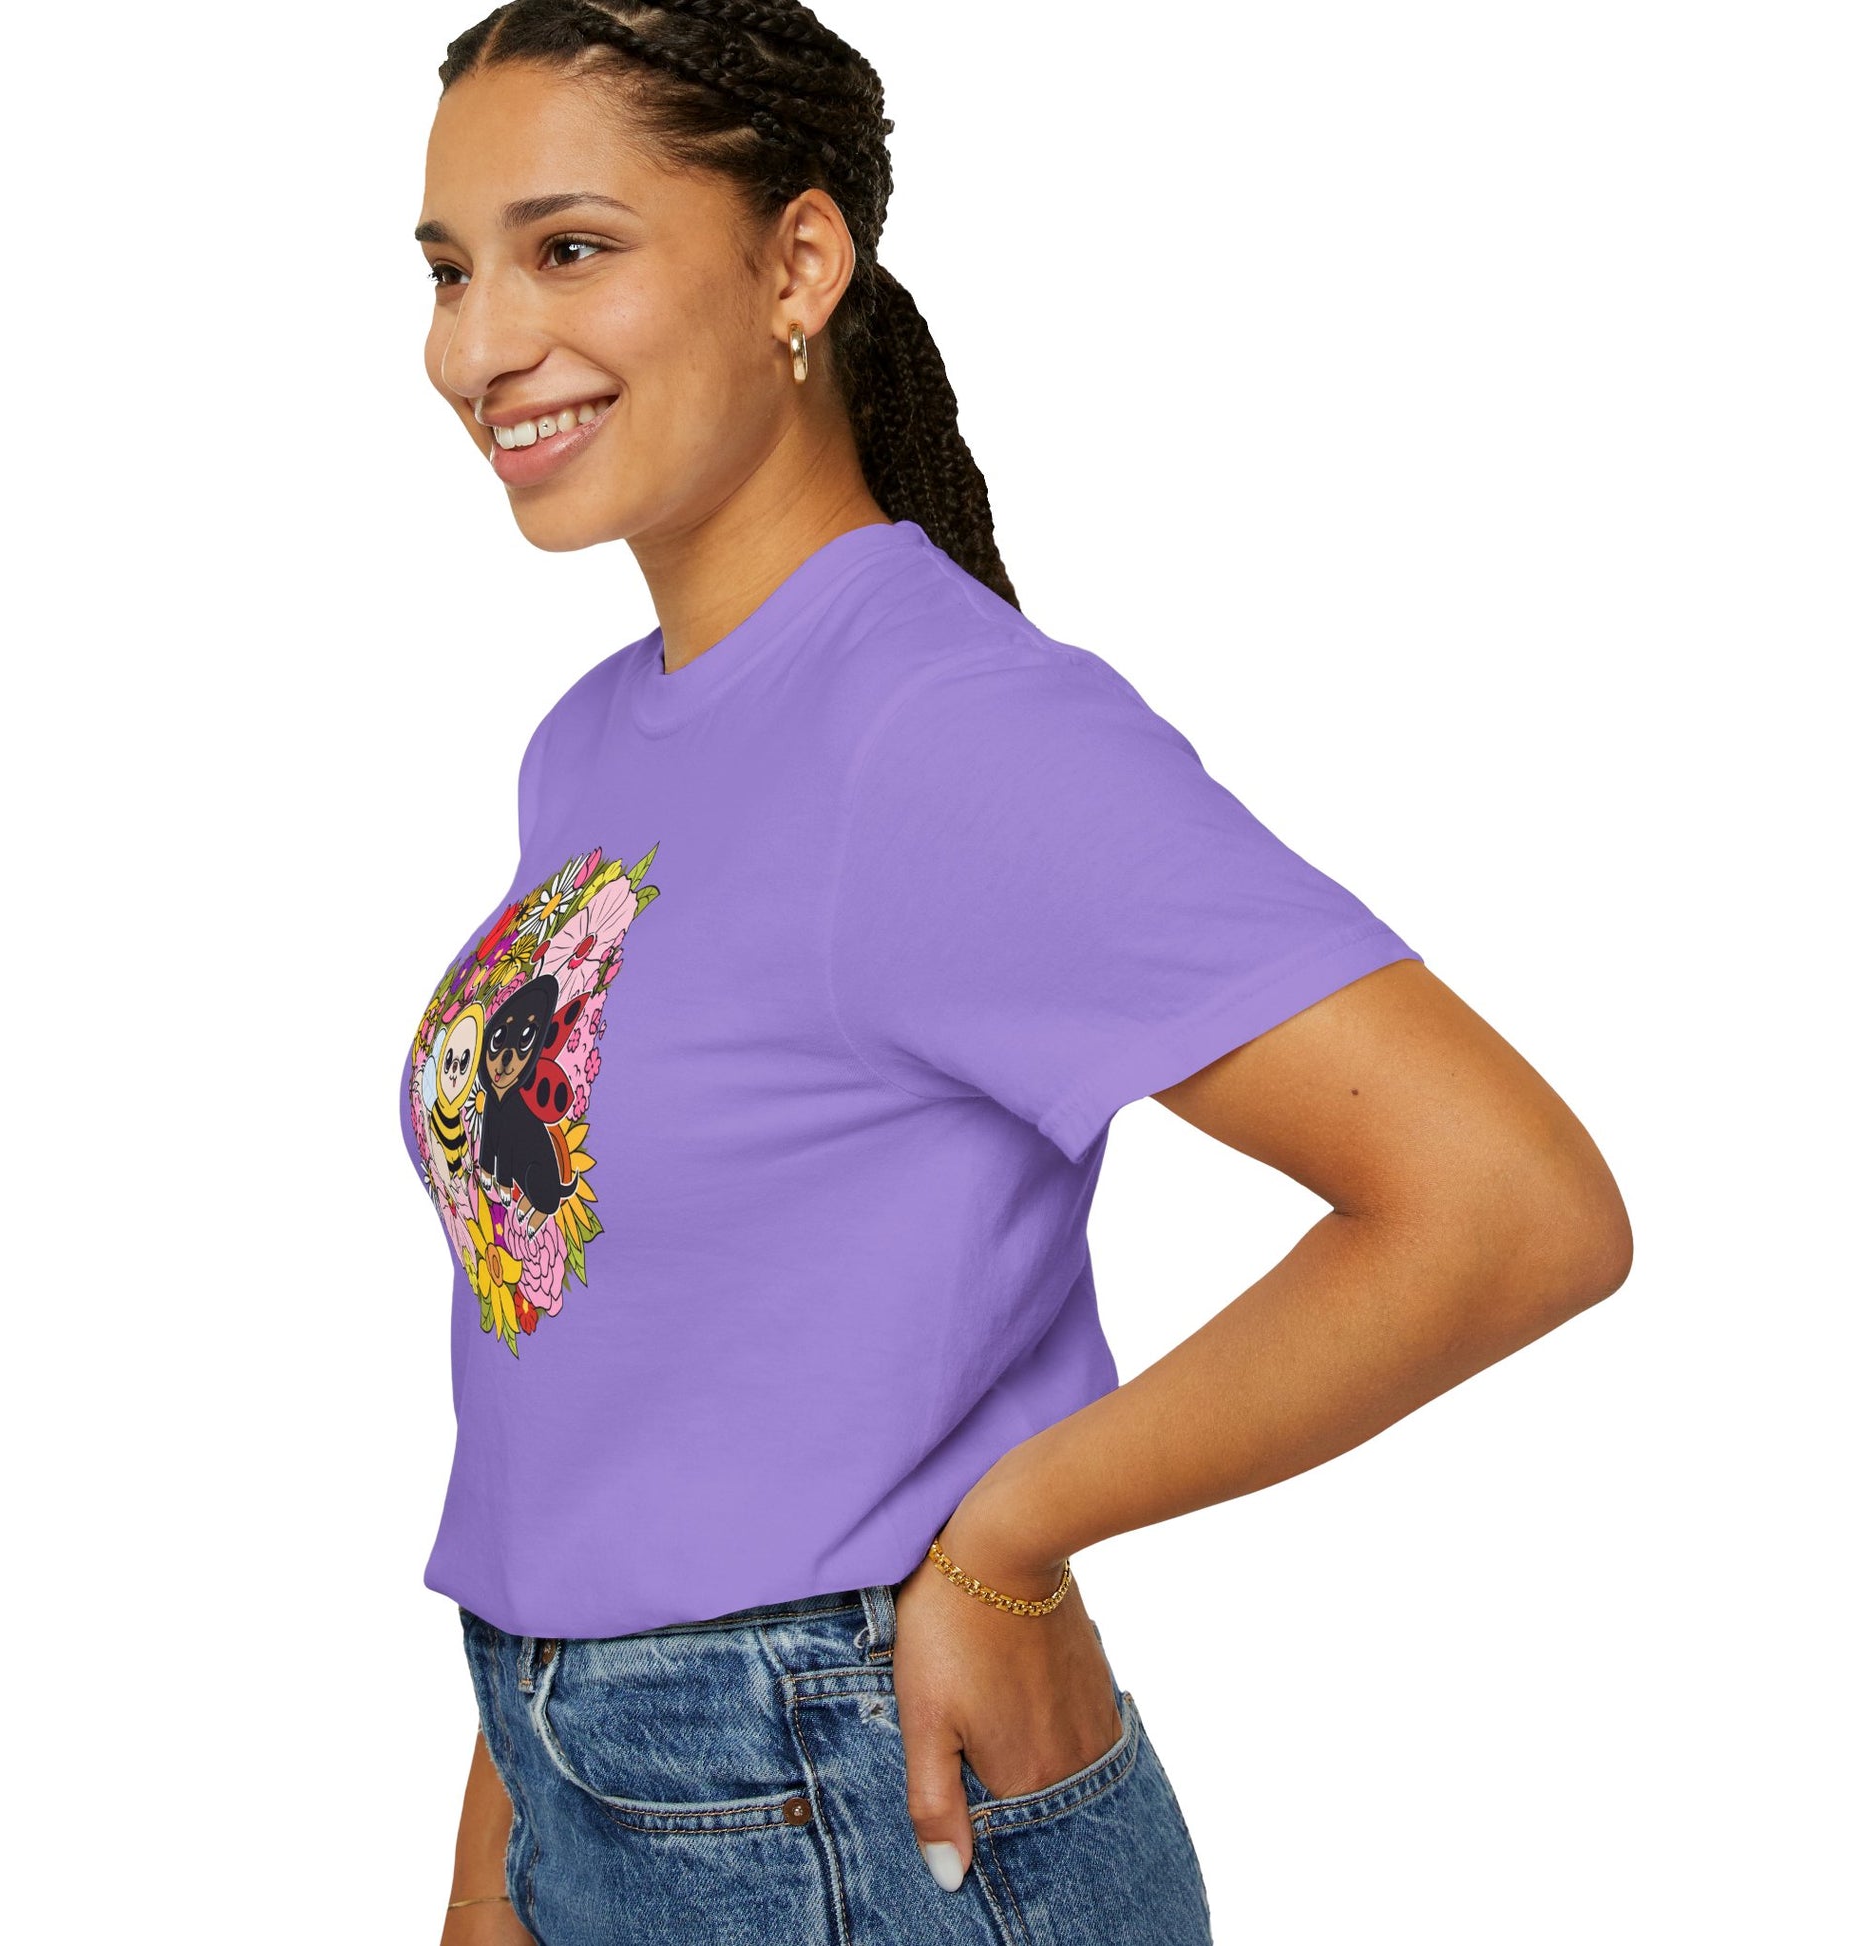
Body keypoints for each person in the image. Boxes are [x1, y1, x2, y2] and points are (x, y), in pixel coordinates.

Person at [402, 6, 1633, 1942]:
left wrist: (1011, 1535)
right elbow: (600, 1365)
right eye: (448, 270)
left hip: (855, 1807)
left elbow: (1509, 1206)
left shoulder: (943, 726)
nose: (479, 345)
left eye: (569, 249)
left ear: (799, 264)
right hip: (581, 1780)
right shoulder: (591, 743)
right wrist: (502, 1855)